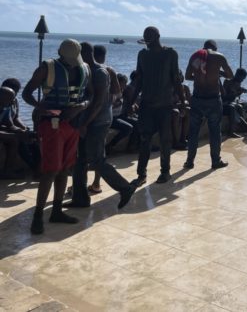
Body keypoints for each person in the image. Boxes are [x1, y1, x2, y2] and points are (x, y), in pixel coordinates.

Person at [22, 39, 92, 235]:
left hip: (73, 125)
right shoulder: (47, 68)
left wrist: (81, 106)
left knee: (65, 169)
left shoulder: (84, 68)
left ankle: (57, 211)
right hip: (51, 125)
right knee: (50, 171)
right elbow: (27, 92)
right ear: (61, 54)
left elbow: (90, 95)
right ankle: (37, 215)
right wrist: (39, 107)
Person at [67, 42, 135, 209]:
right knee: (80, 160)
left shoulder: (99, 72)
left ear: (85, 53)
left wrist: (85, 123)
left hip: (97, 123)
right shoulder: (87, 70)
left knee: (96, 160)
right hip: (90, 121)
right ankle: (80, 198)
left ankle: (125, 188)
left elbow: (98, 103)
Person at [129, 27, 184, 186]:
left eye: (149, 36)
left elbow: (176, 79)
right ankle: (141, 174)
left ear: (157, 36)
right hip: (147, 105)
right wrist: (132, 101)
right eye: (145, 37)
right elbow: (139, 79)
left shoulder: (170, 54)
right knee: (145, 140)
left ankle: (165, 172)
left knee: (165, 141)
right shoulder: (142, 55)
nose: (147, 40)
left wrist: (183, 101)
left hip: (165, 106)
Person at [184, 40, 233, 170]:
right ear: (215, 48)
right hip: (213, 100)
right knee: (215, 132)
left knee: (193, 132)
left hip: (197, 98)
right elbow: (230, 75)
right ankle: (215, 161)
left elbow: (187, 76)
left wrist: (200, 75)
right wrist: (217, 73)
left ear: (204, 47)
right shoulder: (219, 57)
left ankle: (189, 162)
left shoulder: (195, 56)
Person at [1, 78, 40, 175]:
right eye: (9, 99)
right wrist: (14, 134)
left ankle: (35, 166)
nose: (11, 102)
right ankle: (7, 171)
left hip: (3, 130)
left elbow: (10, 123)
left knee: (31, 138)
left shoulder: (7, 106)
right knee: (15, 139)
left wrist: (23, 130)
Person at [222, 68, 247, 135]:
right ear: (237, 75)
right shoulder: (227, 81)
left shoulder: (238, 83)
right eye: (242, 78)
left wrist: (241, 91)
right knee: (237, 106)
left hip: (235, 101)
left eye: (243, 79)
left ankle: (244, 126)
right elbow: (224, 97)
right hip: (227, 103)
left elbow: (236, 95)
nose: (242, 80)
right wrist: (237, 93)